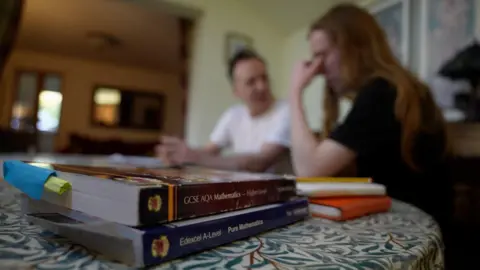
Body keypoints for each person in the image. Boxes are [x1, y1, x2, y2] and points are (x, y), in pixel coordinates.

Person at [288, 4, 453, 232]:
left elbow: (309, 170)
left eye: (322, 55)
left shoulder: (382, 93)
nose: (318, 68)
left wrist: (294, 91)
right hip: (415, 223)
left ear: (356, 48)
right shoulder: (396, 89)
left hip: (414, 233)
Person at [156, 49, 291, 173]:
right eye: (251, 82)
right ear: (236, 91)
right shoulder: (233, 114)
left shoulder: (287, 111)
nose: (262, 86)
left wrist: (194, 157)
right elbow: (209, 152)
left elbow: (262, 161)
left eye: (264, 78)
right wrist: (177, 154)